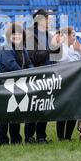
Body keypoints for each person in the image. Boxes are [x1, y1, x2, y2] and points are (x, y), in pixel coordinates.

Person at [24, 9, 61, 144]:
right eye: (47, 19)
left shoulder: (49, 34)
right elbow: (34, 57)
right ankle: (29, 137)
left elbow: (55, 56)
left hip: (49, 74)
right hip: (36, 76)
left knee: (45, 106)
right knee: (34, 107)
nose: (49, 21)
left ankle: (41, 136)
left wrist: (58, 46)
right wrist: (52, 48)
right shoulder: (29, 36)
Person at [0, 23, 33, 145]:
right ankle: (3, 141)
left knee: (16, 113)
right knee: (4, 115)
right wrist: (27, 73)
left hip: (18, 85)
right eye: (13, 34)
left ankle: (16, 139)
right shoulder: (6, 48)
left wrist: (33, 72)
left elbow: (29, 64)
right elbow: (12, 67)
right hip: (5, 86)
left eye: (18, 34)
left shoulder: (22, 49)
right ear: (8, 36)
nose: (16, 36)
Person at [56, 26, 81, 141]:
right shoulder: (60, 48)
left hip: (72, 81)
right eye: (73, 35)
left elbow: (78, 61)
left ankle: (68, 136)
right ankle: (61, 137)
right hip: (63, 81)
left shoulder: (70, 48)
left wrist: (77, 53)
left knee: (73, 109)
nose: (75, 38)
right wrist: (77, 53)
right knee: (63, 109)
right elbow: (68, 62)